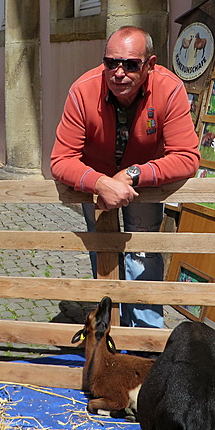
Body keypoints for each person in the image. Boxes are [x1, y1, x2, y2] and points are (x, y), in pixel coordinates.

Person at [50, 26, 200, 328]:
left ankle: (145, 341)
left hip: (144, 184)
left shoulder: (169, 88)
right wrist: (100, 183)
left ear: (150, 64)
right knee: (103, 252)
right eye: (111, 63)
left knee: (143, 256)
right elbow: (60, 159)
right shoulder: (83, 90)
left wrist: (134, 174)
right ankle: (110, 331)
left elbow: (187, 156)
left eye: (131, 64)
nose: (119, 72)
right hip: (95, 184)